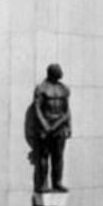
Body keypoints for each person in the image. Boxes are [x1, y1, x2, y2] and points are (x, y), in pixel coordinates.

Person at [32, 63, 72, 193]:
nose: (61, 72)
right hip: (46, 126)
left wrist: (69, 126)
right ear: (52, 72)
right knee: (44, 155)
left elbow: (67, 110)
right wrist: (44, 124)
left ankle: (57, 182)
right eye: (58, 70)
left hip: (60, 126)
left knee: (58, 156)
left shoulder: (64, 88)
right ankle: (43, 183)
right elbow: (37, 108)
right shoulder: (42, 88)